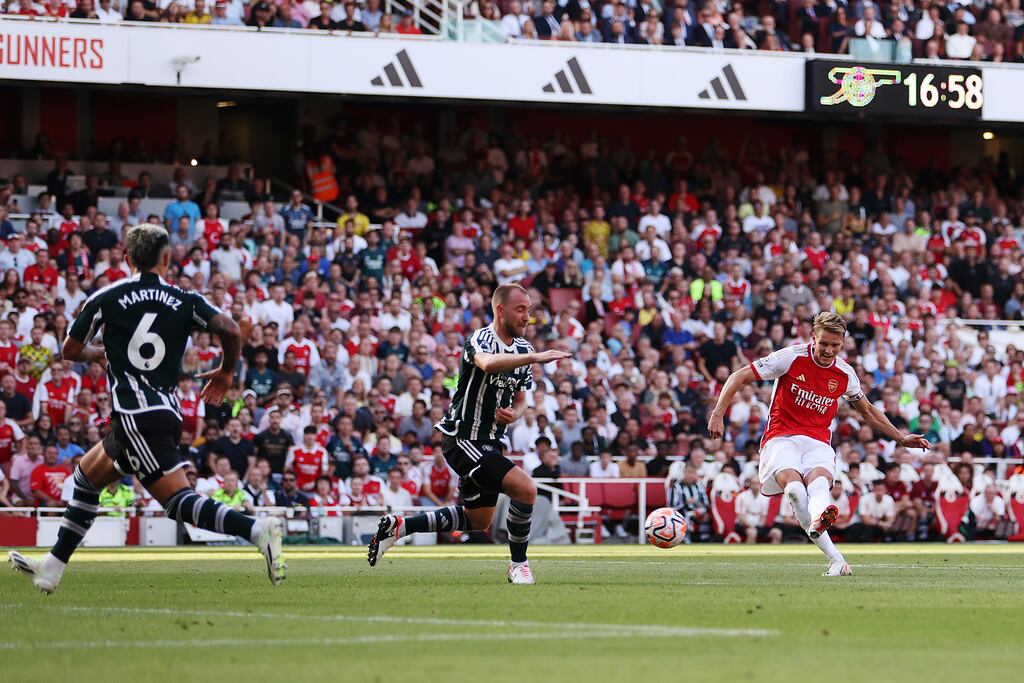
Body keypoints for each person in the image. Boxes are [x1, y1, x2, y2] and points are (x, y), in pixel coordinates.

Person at [9, 225, 284, 594]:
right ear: (166, 259)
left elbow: (70, 351)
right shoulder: (185, 298)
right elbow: (232, 330)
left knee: (177, 502)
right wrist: (226, 372)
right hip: (162, 414)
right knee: (86, 479)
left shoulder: (108, 296)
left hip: (136, 417)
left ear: (126, 259)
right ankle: (52, 569)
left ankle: (255, 529)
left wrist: (100, 354)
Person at [367, 283, 570, 584]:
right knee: (526, 489)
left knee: (479, 519)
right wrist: (535, 358)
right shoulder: (480, 339)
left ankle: (398, 527)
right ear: (500, 310)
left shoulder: (524, 348)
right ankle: (519, 565)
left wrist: (516, 412)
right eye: (521, 309)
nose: (528, 317)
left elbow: (521, 395)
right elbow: (487, 364)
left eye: (529, 309)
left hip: (490, 442)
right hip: (462, 438)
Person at [707, 311, 930, 577]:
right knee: (796, 492)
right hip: (782, 437)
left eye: (835, 345)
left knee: (818, 483)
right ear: (813, 336)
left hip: (817, 440)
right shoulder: (790, 357)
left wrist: (900, 437)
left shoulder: (845, 374)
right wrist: (718, 413)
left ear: (843, 342)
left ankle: (832, 544)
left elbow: (868, 411)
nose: (828, 350)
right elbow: (739, 376)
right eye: (823, 343)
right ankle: (828, 536)